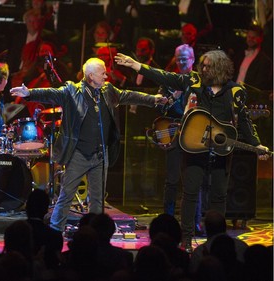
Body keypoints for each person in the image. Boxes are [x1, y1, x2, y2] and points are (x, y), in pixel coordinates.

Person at [115, 50, 270, 253]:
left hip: (221, 150)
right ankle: (186, 239)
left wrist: (256, 144)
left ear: (220, 68)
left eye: (207, 66)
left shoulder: (235, 91)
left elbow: (244, 121)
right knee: (190, 193)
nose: (203, 68)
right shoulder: (193, 81)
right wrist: (137, 66)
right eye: (202, 65)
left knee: (219, 195)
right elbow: (165, 76)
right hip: (193, 147)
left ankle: (217, 240)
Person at [10, 57, 165, 232]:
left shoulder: (107, 91)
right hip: (79, 154)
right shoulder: (72, 91)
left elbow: (128, 95)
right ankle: (55, 231)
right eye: (102, 73)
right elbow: (52, 94)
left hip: (100, 154)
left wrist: (153, 99)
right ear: (90, 75)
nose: (106, 76)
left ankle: (96, 232)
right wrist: (29, 93)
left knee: (97, 199)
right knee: (66, 195)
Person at [156, 44, 204, 234]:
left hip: (194, 135)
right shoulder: (168, 82)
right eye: (179, 58)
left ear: (193, 59)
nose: (182, 62)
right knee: (172, 179)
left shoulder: (201, 82)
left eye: (185, 58)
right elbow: (159, 108)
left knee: (193, 179)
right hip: (174, 134)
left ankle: (194, 222)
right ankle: (168, 221)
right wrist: (174, 96)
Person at [233, 24, 273, 92]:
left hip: (249, 99)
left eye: (254, 37)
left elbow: (259, 86)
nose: (250, 39)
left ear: (261, 38)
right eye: (249, 37)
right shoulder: (240, 55)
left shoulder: (265, 61)